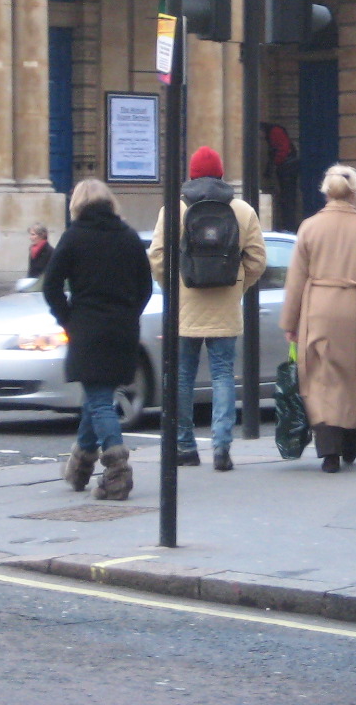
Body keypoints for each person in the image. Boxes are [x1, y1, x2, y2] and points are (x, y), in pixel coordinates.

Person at [149, 146, 267, 472]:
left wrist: (174, 289)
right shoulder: (242, 210)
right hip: (225, 308)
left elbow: (157, 257)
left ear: (191, 174)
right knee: (223, 375)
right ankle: (221, 448)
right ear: (221, 175)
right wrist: (236, 288)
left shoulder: (173, 210)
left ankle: (185, 446)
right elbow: (257, 260)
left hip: (184, 307)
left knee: (183, 376)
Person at [41, 179, 154, 502]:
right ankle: (79, 468)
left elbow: (51, 286)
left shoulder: (74, 237)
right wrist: (129, 313)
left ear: (76, 204)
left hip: (88, 327)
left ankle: (118, 472)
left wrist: (68, 318)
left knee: (100, 399)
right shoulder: (129, 237)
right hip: (122, 329)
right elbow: (145, 287)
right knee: (99, 395)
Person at [280, 164, 356, 472]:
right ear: (354, 192)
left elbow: (296, 281)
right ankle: (351, 444)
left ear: (325, 192)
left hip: (317, 308)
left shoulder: (308, 227)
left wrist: (290, 324)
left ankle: (328, 451)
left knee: (319, 378)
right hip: (354, 309)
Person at [262, 122, 301, 233]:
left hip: (287, 167)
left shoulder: (274, 131)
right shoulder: (275, 130)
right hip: (287, 165)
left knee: (287, 198)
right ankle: (289, 224)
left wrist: (277, 162)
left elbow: (282, 148)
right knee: (287, 197)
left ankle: (289, 225)